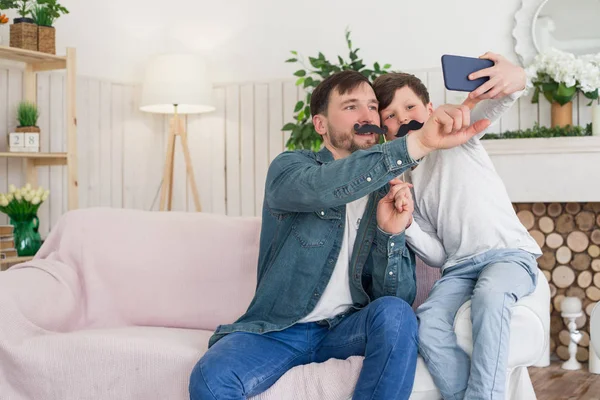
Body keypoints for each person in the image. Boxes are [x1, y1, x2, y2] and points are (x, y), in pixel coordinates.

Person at [188, 69, 491, 400]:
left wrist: (392, 236)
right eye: (350, 107)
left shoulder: (390, 193)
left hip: (345, 330)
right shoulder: (290, 169)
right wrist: (415, 143)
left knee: (397, 314)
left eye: (373, 107)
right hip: (279, 330)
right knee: (211, 378)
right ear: (320, 125)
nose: (367, 116)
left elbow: (394, 298)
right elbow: (323, 187)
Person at [372, 52, 543, 400]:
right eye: (390, 115)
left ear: (430, 107)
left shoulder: (456, 135)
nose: (402, 118)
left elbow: (490, 107)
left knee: (491, 294)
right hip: (459, 267)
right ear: (384, 131)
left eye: (409, 108)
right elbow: (436, 255)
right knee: (430, 323)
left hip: (507, 255)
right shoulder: (404, 179)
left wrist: (513, 80)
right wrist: (407, 223)